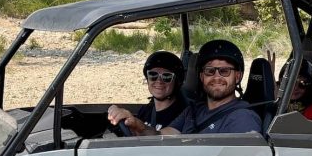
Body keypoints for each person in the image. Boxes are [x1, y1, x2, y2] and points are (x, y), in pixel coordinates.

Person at [108, 39, 262, 135]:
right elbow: (160, 136)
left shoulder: (242, 118)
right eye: (210, 71)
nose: (216, 77)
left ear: (238, 76)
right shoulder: (193, 111)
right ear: (201, 76)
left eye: (224, 71)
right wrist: (137, 125)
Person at [135, 50, 186, 130]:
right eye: (153, 75)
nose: (159, 81)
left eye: (167, 76)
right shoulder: (146, 110)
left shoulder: (184, 115)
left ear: (177, 81)